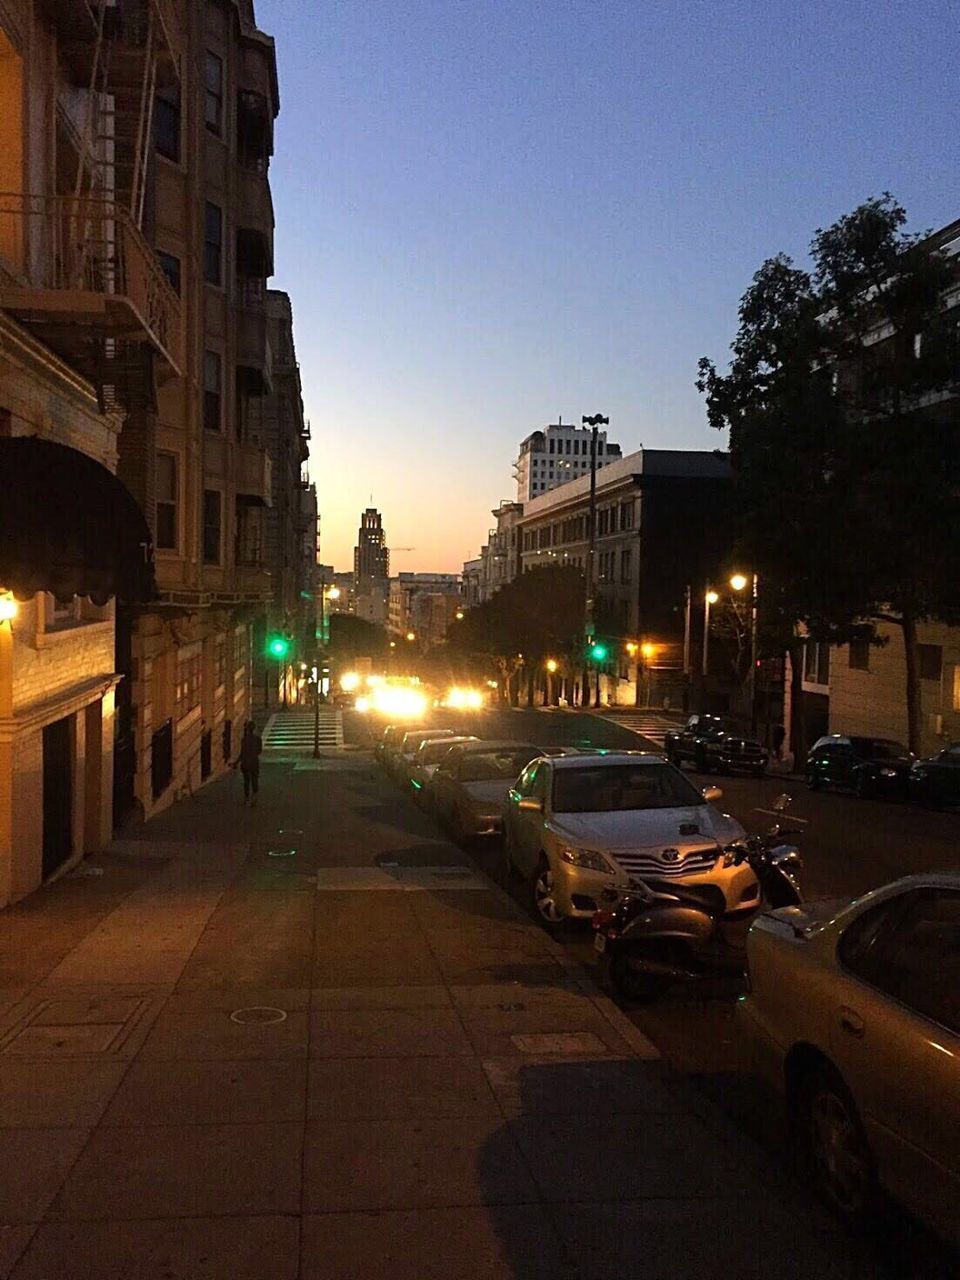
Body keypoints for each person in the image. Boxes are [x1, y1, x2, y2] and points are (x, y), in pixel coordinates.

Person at [235, 720, 262, 805]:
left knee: (246, 781)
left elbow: (242, 753)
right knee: (254, 780)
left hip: (245, 762)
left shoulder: (244, 740)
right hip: (254, 762)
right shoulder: (258, 739)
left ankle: (246, 798)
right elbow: (259, 751)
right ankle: (254, 798)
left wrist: (236, 762)